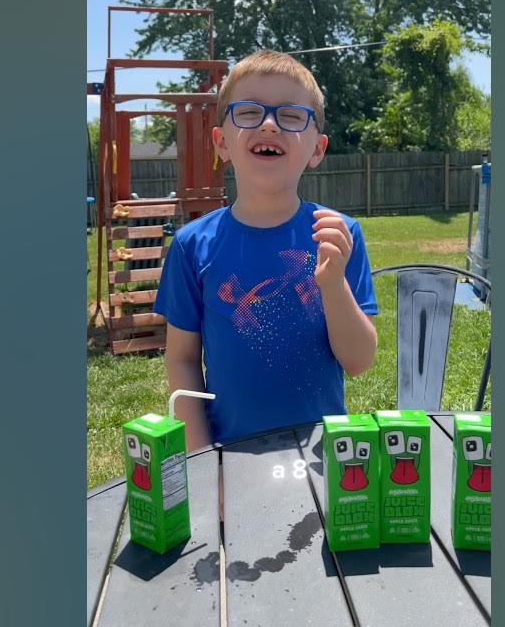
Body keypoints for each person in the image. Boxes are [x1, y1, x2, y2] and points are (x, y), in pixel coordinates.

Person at [154, 50, 379, 450]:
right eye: (248, 112)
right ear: (221, 143)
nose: (270, 124)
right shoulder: (192, 246)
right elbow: (182, 359)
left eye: (291, 115)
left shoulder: (338, 236)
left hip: (322, 454)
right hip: (229, 452)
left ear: (317, 149)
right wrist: (203, 459)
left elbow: (359, 361)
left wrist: (332, 285)